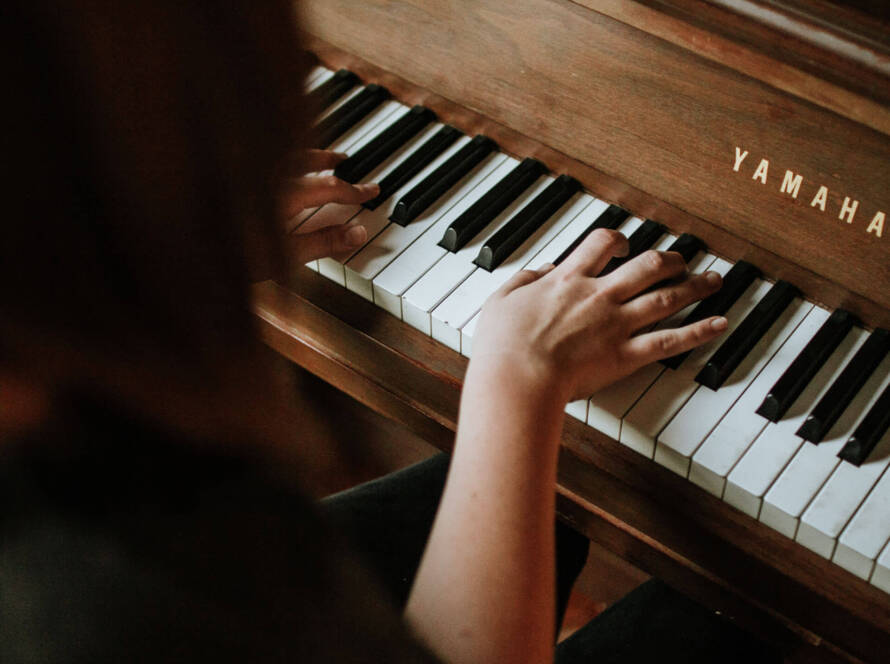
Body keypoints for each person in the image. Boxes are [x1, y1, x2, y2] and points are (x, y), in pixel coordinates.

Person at [1, 1, 781, 662]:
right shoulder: (85, 604)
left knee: (564, 502)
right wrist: (517, 381)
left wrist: (156, 267)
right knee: (739, 616)